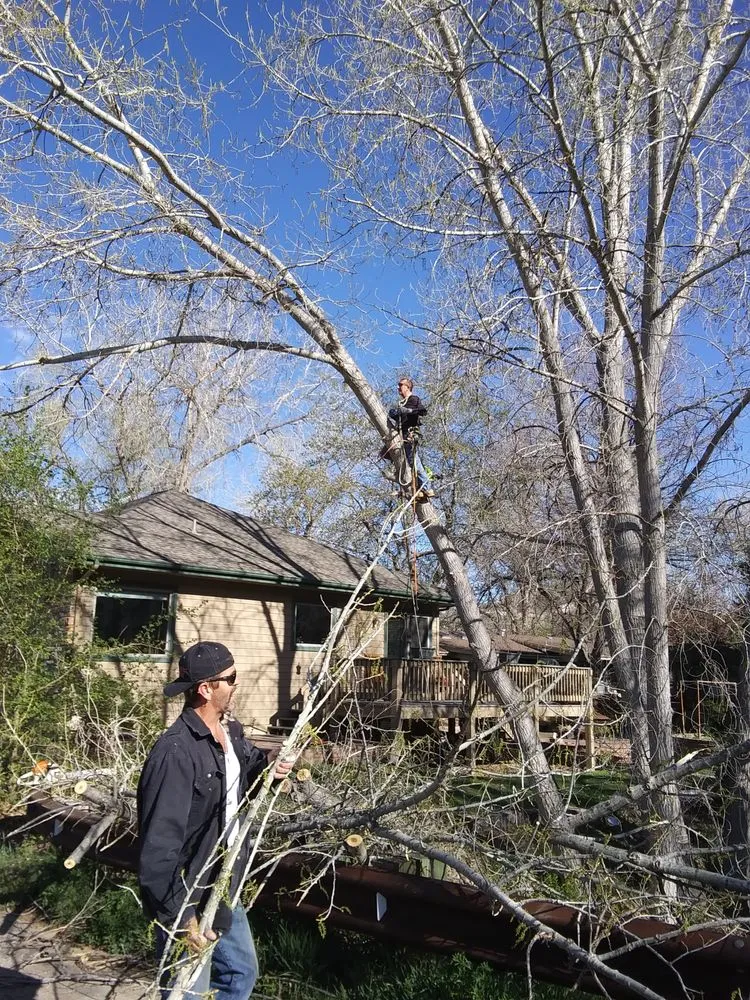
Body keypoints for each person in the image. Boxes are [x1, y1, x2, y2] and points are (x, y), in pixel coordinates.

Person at [137, 641, 292, 1000]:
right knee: (187, 991)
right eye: (231, 678)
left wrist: (271, 768)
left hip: (222, 886)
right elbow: (158, 847)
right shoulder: (175, 752)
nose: (236, 684)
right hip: (186, 894)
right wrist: (180, 917)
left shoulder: (229, 732)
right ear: (206, 689)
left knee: (240, 974)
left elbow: (245, 773)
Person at [382, 376, 433, 497]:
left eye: (401, 385)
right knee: (386, 453)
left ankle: (427, 487)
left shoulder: (414, 399)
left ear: (408, 387)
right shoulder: (402, 403)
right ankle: (411, 484)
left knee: (413, 461)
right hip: (401, 434)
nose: (398, 387)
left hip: (409, 434)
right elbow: (402, 419)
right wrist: (395, 415)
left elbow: (422, 411)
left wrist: (407, 411)